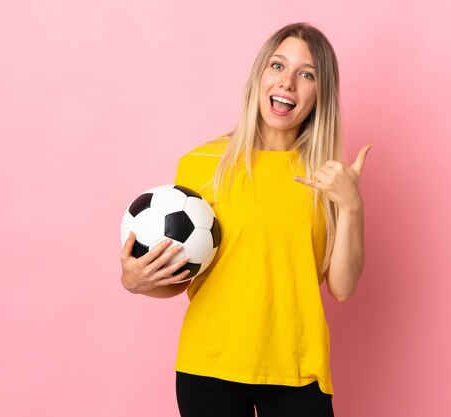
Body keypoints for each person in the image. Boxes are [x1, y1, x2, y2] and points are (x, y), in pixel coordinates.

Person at [120, 22, 371, 417]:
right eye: (277, 66)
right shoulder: (201, 164)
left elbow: (341, 287)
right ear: (259, 76)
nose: (288, 82)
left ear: (319, 94)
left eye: (307, 74)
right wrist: (135, 282)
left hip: (296, 370)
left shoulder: (328, 177)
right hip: (209, 367)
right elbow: (181, 273)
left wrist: (352, 205)